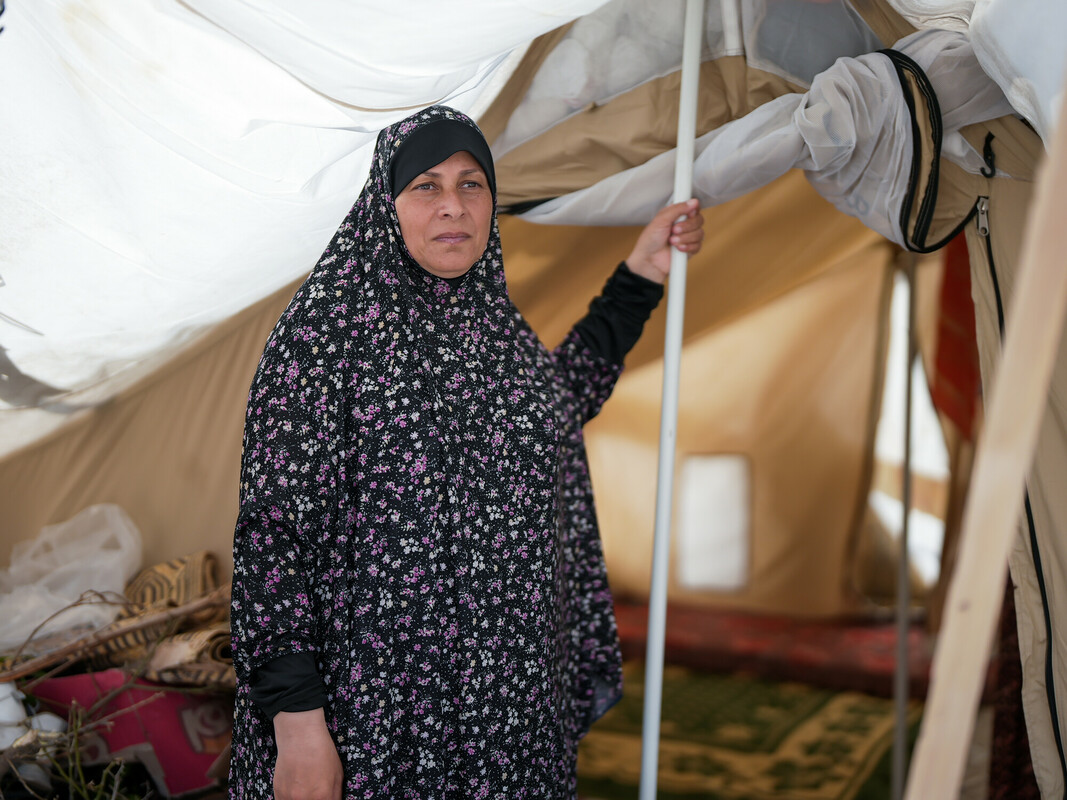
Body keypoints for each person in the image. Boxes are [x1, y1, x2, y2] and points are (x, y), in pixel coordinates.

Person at [229, 105, 704, 800]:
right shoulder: (322, 340)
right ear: (383, 205)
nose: (452, 206)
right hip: (377, 720)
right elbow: (272, 544)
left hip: (503, 713)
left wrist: (639, 276)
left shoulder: (494, 332)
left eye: (470, 184)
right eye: (426, 186)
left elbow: (552, 407)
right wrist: (298, 727)